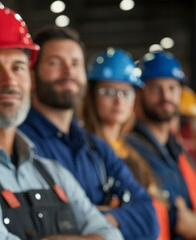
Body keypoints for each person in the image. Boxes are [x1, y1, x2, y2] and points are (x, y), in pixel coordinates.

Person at [0, 1, 123, 239]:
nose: (9, 81)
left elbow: (112, 234)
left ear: (31, 80)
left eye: (18, 67)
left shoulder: (51, 170)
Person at [18, 26, 158, 239]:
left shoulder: (96, 148)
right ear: (32, 74)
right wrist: (110, 217)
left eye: (75, 63)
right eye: (55, 62)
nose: (68, 72)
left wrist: (102, 218)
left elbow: (149, 218)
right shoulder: (19, 144)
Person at [79, 47, 170, 240]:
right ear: (91, 96)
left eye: (126, 92)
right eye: (108, 91)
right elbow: (80, 215)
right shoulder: (81, 151)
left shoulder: (136, 150)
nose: (118, 100)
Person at [125, 51, 196, 240]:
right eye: (156, 88)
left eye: (172, 88)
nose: (166, 96)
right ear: (139, 93)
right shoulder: (129, 151)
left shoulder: (178, 152)